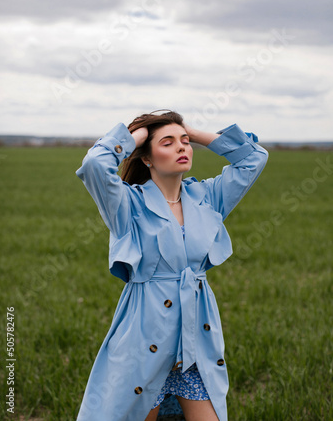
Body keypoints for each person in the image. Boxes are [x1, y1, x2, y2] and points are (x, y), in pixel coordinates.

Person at [75, 109, 269, 421]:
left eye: (185, 142)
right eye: (168, 143)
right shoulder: (128, 205)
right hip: (144, 337)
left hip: (196, 339)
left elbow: (253, 159)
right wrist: (139, 134)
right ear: (146, 158)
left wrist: (186, 130)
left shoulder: (207, 197)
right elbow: (95, 165)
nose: (181, 147)